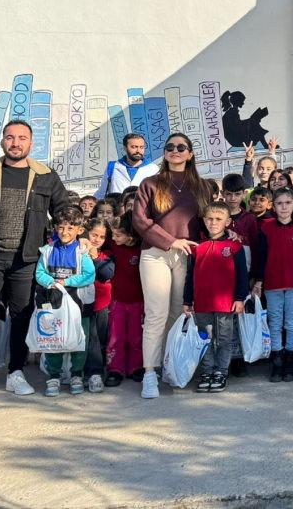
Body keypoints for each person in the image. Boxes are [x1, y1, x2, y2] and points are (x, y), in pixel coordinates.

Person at [0, 120, 69, 403]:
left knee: (21, 316)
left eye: (21, 138)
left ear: (31, 143)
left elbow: (64, 212)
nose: (15, 142)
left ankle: (15, 373)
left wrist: (70, 244)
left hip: (26, 260)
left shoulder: (46, 176)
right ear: (3, 142)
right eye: (10, 137)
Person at [132, 133, 209, 399]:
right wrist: (171, 241)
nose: (175, 151)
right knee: (156, 314)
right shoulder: (150, 184)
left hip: (187, 254)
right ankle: (150, 374)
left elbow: (212, 219)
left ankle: (171, 365)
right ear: (164, 153)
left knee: (179, 313)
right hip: (155, 253)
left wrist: (229, 232)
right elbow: (140, 222)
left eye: (181, 147)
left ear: (190, 153)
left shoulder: (202, 186)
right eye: (170, 147)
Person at [184, 202, 249, 392]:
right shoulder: (197, 248)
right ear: (204, 220)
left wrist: (239, 298)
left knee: (223, 339)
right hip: (202, 304)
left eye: (218, 219)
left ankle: (221, 371)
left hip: (225, 304)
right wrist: (187, 300)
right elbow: (190, 276)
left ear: (227, 222)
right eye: (210, 219)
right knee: (205, 338)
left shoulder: (235, 247)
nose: (213, 223)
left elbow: (242, 275)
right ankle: (207, 371)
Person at [34, 205, 97, 397]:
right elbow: (39, 273)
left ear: (79, 230)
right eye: (61, 227)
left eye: (70, 228)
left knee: (79, 338)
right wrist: (51, 282)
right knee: (55, 339)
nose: (65, 232)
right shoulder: (48, 250)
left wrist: (67, 282)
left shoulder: (81, 251)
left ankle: (77, 374)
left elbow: (90, 274)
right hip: (54, 303)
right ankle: (54, 375)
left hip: (79, 303)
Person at [255, 188, 293, 382]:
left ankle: (290, 358)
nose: (284, 207)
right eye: (279, 203)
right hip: (273, 283)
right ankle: (277, 358)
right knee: (275, 321)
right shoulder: (266, 227)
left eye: (288, 203)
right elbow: (261, 256)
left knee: (292, 321)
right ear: (273, 206)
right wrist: (259, 281)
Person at [105, 215, 144, 387]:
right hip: (117, 301)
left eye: (118, 234)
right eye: (112, 234)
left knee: (136, 337)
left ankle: (136, 367)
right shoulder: (112, 245)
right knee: (116, 337)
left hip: (138, 301)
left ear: (131, 235)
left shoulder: (142, 249)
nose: (113, 237)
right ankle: (115, 369)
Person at [83, 218, 115, 392]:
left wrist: (95, 257)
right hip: (80, 301)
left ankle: (96, 371)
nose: (96, 239)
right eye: (94, 234)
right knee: (86, 337)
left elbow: (106, 273)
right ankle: (82, 371)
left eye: (101, 237)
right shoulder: (78, 251)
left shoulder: (106, 255)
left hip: (101, 303)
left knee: (98, 337)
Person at [96, 133, 159, 199]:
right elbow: (102, 192)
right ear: (125, 148)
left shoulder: (153, 169)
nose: (138, 151)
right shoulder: (112, 166)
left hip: (143, 208)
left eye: (141, 147)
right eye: (134, 147)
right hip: (117, 207)